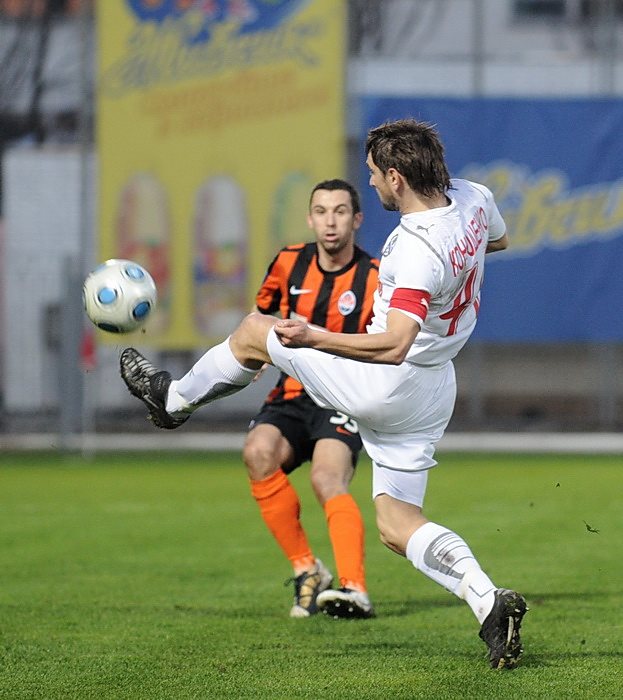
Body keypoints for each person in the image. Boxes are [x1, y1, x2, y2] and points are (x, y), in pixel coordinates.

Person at [120, 118, 527, 670]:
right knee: (396, 523)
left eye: (374, 174)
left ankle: (171, 402)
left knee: (254, 331)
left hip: (386, 381)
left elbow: (395, 344)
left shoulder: (414, 248)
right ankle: (488, 601)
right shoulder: (474, 198)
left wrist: (314, 336)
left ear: (397, 176)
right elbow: (497, 240)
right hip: (434, 388)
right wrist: (453, 272)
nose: (372, 183)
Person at [244, 179, 378, 619]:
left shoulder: (375, 276)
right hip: (292, 393)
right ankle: (307, 569)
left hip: (342, 397)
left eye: (340, 211)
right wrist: (255, 350)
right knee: (258, 453)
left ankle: (354, 589)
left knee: (326, 479)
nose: (330, 221)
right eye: (321, 211)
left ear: (357, 219)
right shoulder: (288, 262)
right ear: (310, 218)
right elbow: (261, 312)